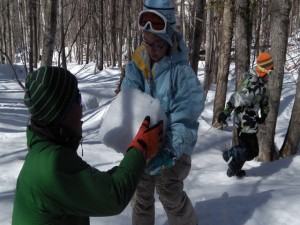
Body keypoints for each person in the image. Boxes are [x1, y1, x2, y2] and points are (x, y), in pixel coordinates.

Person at [12, 66, 164, 225]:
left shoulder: (43, 154)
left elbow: (100, 185)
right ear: (60, 113)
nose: (82, 107)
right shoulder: (52, 166)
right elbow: (112, 197)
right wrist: (140, 149)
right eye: (77, 99)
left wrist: (138, 159)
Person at [120, 0, 205, 224]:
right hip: (145, 143)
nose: (152, 50)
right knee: (140, 194)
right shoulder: (138, 63)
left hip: (175, 147)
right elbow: (129, 99)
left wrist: (169, 149)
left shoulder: (181, 73)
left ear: (169, 38)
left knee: (169, 192)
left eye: (158, 44)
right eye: (147, 44)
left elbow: (185, 118)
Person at [218, 52, 274, 178]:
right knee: (252, 151)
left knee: (245, 148)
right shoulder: (252, 84)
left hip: (251, 121)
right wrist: (225, 113)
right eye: (269, 72)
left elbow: (264, 100)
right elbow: (236, 99)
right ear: (263, 71)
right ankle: (229, 154)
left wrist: (263, 114)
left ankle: (234, 169)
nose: (270, 75)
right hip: (245, 122)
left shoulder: (260, 84)